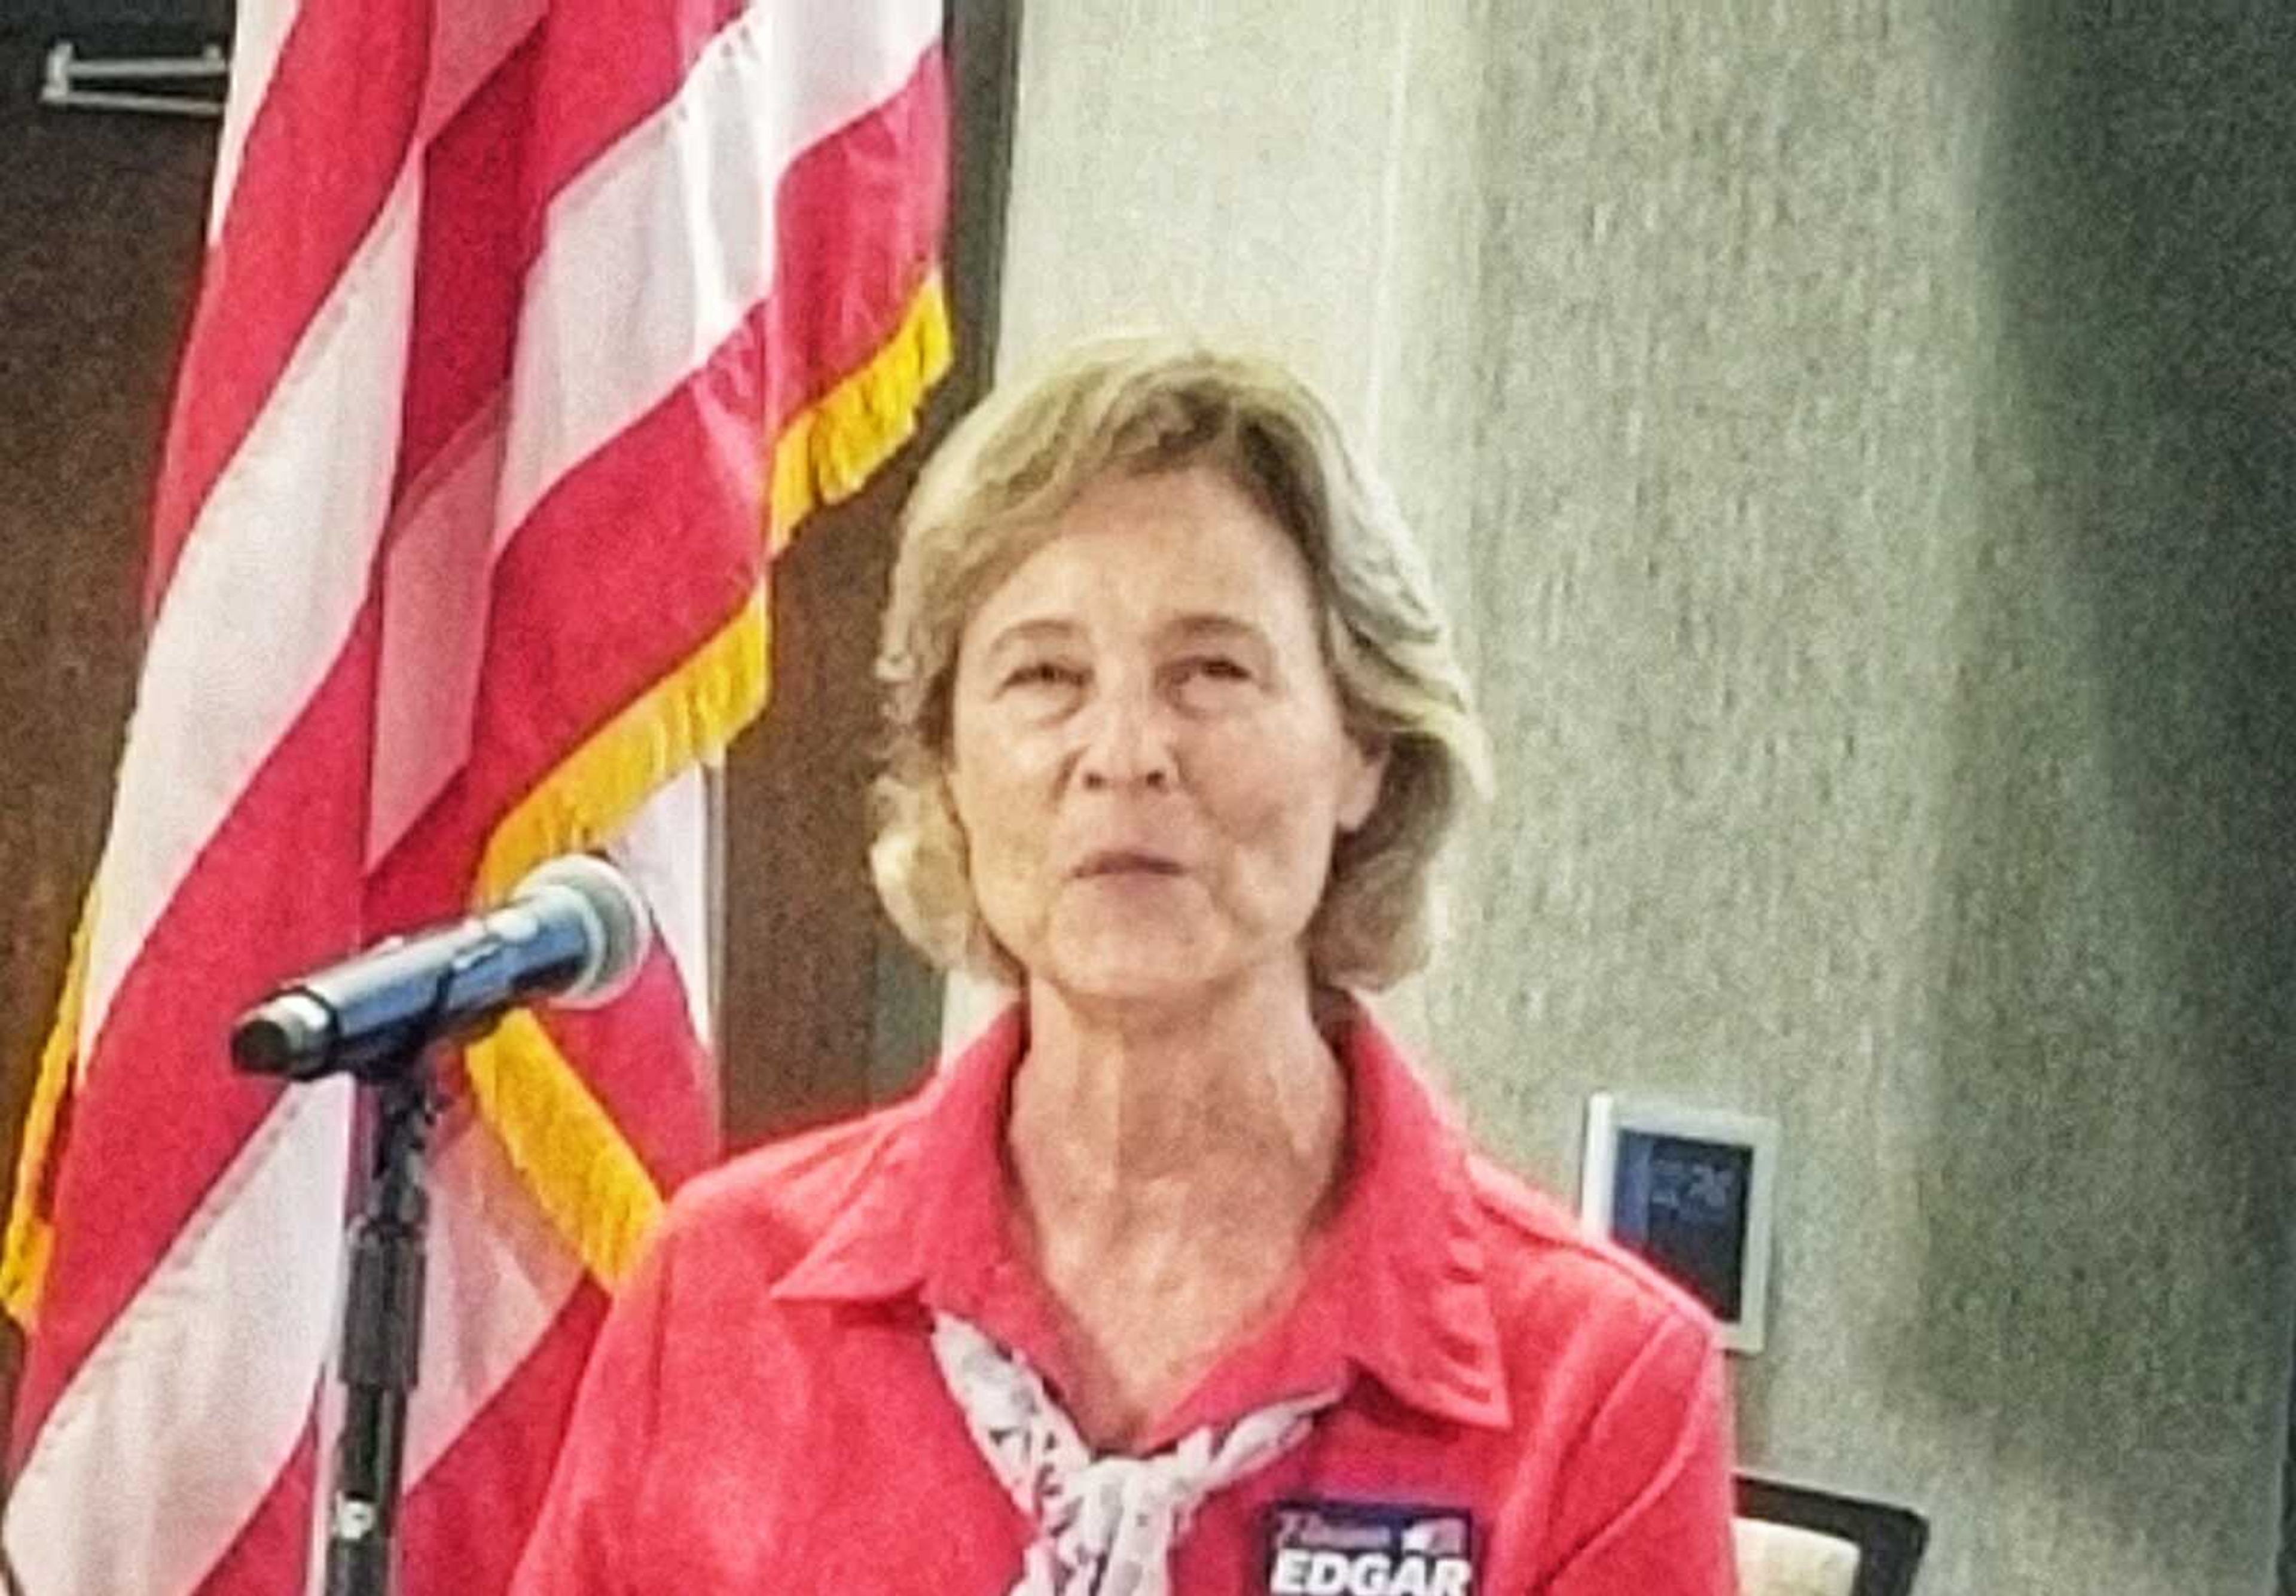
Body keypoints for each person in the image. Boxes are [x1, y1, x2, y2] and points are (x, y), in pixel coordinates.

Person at [509, 337, 1739, 1594]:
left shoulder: (1600, 1386)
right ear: (948, 769)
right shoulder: (722, 1292)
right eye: (1045, 675)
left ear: (1364, 746)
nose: (1124, 753)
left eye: (1210, 671)